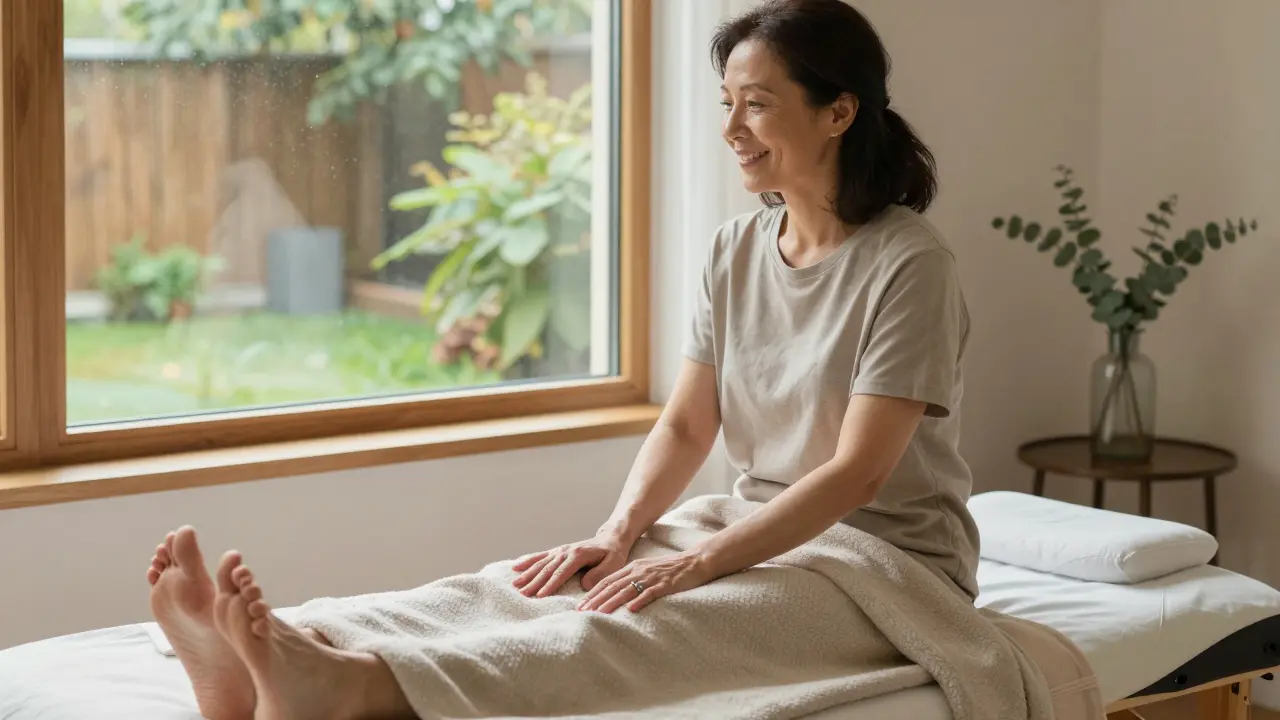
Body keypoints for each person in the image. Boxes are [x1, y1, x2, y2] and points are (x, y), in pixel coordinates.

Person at [144, 0, 979, 717]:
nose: (730, 129)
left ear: (839, 111)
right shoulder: (735, 250)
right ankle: (301, 646)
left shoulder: (909, 265)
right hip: (752, 526)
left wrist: (696, 565)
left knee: (647, 623)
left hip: (884, 568)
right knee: (539, 585)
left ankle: (356, 689)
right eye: (726, 102)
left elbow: (859, 475)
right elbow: (690, 423)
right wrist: (618, 534)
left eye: (755, 104)